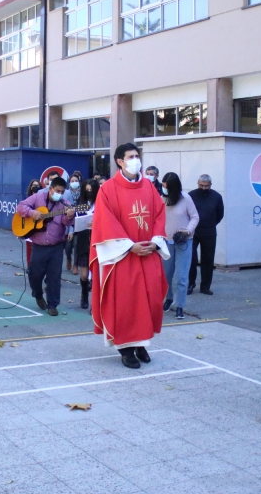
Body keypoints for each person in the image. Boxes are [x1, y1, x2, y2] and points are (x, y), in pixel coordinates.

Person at [90, 143, 169, 369]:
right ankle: (125, 348)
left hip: (148, 253)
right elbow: (105, 222)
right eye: (131, 156)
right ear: (120, 161)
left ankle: (141, 343)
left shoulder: (148, 186)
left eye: (137, 156)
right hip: (123, 257)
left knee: (150, 299)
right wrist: (129, 247)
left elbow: (159, 214)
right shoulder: (108, 189)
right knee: (127, 302)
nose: (136, 160)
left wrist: (155, 242)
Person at [16, 176, 75, 316]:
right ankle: (37, 295)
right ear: (50, 189)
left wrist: (70, 216)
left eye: (61, 191)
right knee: (34, 275)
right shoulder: (38, 197)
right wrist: (32, 212)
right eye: (57, 190)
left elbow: (67, 223)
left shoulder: (65, 204)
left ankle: (53, 305)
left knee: (54, 277)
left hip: (56, 246)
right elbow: (20, 207)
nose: (59, 194)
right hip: (39, 245)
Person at [161, 172, 199, 320]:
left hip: (184, 241)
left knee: (181, 276)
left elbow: (195, 217)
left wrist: (187, 230)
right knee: (166, 274)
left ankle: (180, 306)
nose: (164, 189)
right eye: (163, 186)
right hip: (166, 241)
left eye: (166, 187)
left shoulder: (186, 199)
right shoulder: (161, 199)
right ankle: (169, 298)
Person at [187, 174, 224, 296]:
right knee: (191, 259)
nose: (203, 188)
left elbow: (220, 214)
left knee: (208, 260)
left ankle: (205, 286)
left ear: (210, 185)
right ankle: (190, 284)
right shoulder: (191, 195)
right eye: (201, 185)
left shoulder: (216, 197)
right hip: (193, 231)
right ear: (197, 183)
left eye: (206, 186)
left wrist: (211, 223)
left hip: (209, 231)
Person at [74, 179, 100, 309]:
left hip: (97, 241)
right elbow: (75, 220)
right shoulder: (80, 203)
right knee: (84, 275)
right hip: (83, 240)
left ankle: (94, 303)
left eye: (91, 190)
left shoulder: (101, 203)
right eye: (87, 190)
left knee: (96, 275)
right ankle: (84, 294)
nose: (89, 192)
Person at [64, 172, 83, 274]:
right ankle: (68, 257)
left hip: (79, 219)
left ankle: (75, 264)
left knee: (77, 244)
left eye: (76, 181)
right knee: (68, 246)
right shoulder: (66, 193)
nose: (74, 183)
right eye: (72, 181)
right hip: (69, 220)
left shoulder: (83, 192)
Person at [23, 179, 43, 267]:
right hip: (29, 226)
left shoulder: (43, 199)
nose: (35, 187)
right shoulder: (27, 199)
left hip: (39, 227)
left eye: (37, 185)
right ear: (30, 187)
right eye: (34, 185)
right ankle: (29, 266)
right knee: (29, 248)